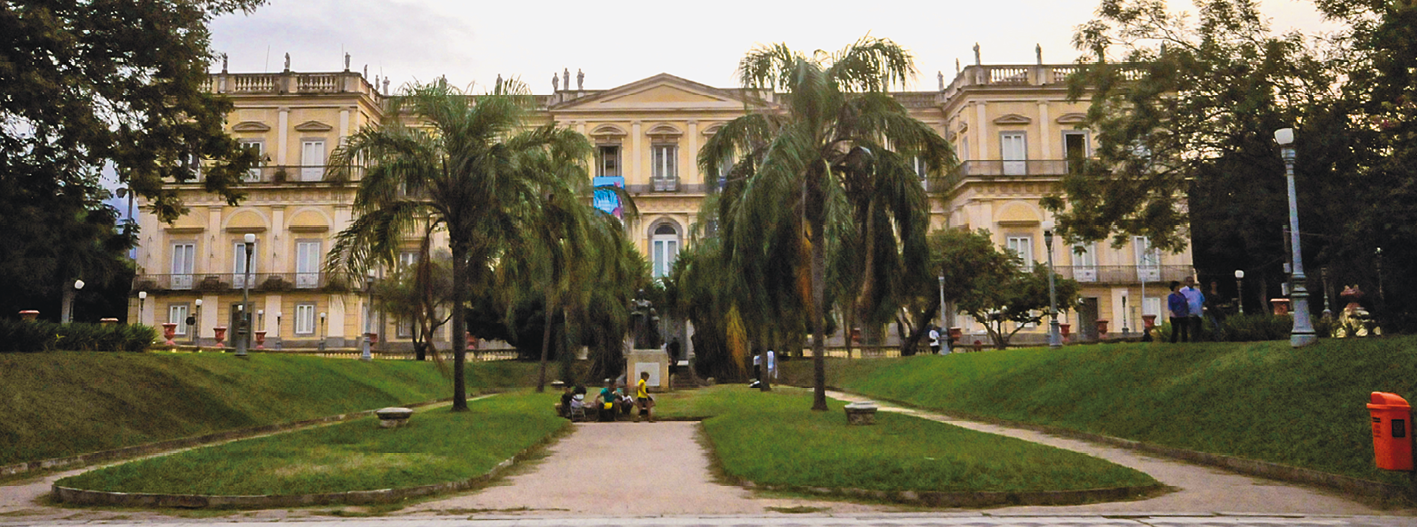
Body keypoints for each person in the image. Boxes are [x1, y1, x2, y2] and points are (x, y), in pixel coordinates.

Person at [1181, 276, 1205, 341]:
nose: (1191, 283)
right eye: (1189, 281)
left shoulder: (1197, 291)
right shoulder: (1183, 291)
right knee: (1193, 329)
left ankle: (1199, 341)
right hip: (1189, 314)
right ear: (1186, 282)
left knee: (1199, 329)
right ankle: (1194, 341)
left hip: (1198, 313)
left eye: (1192, 281)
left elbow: (1202, 300)